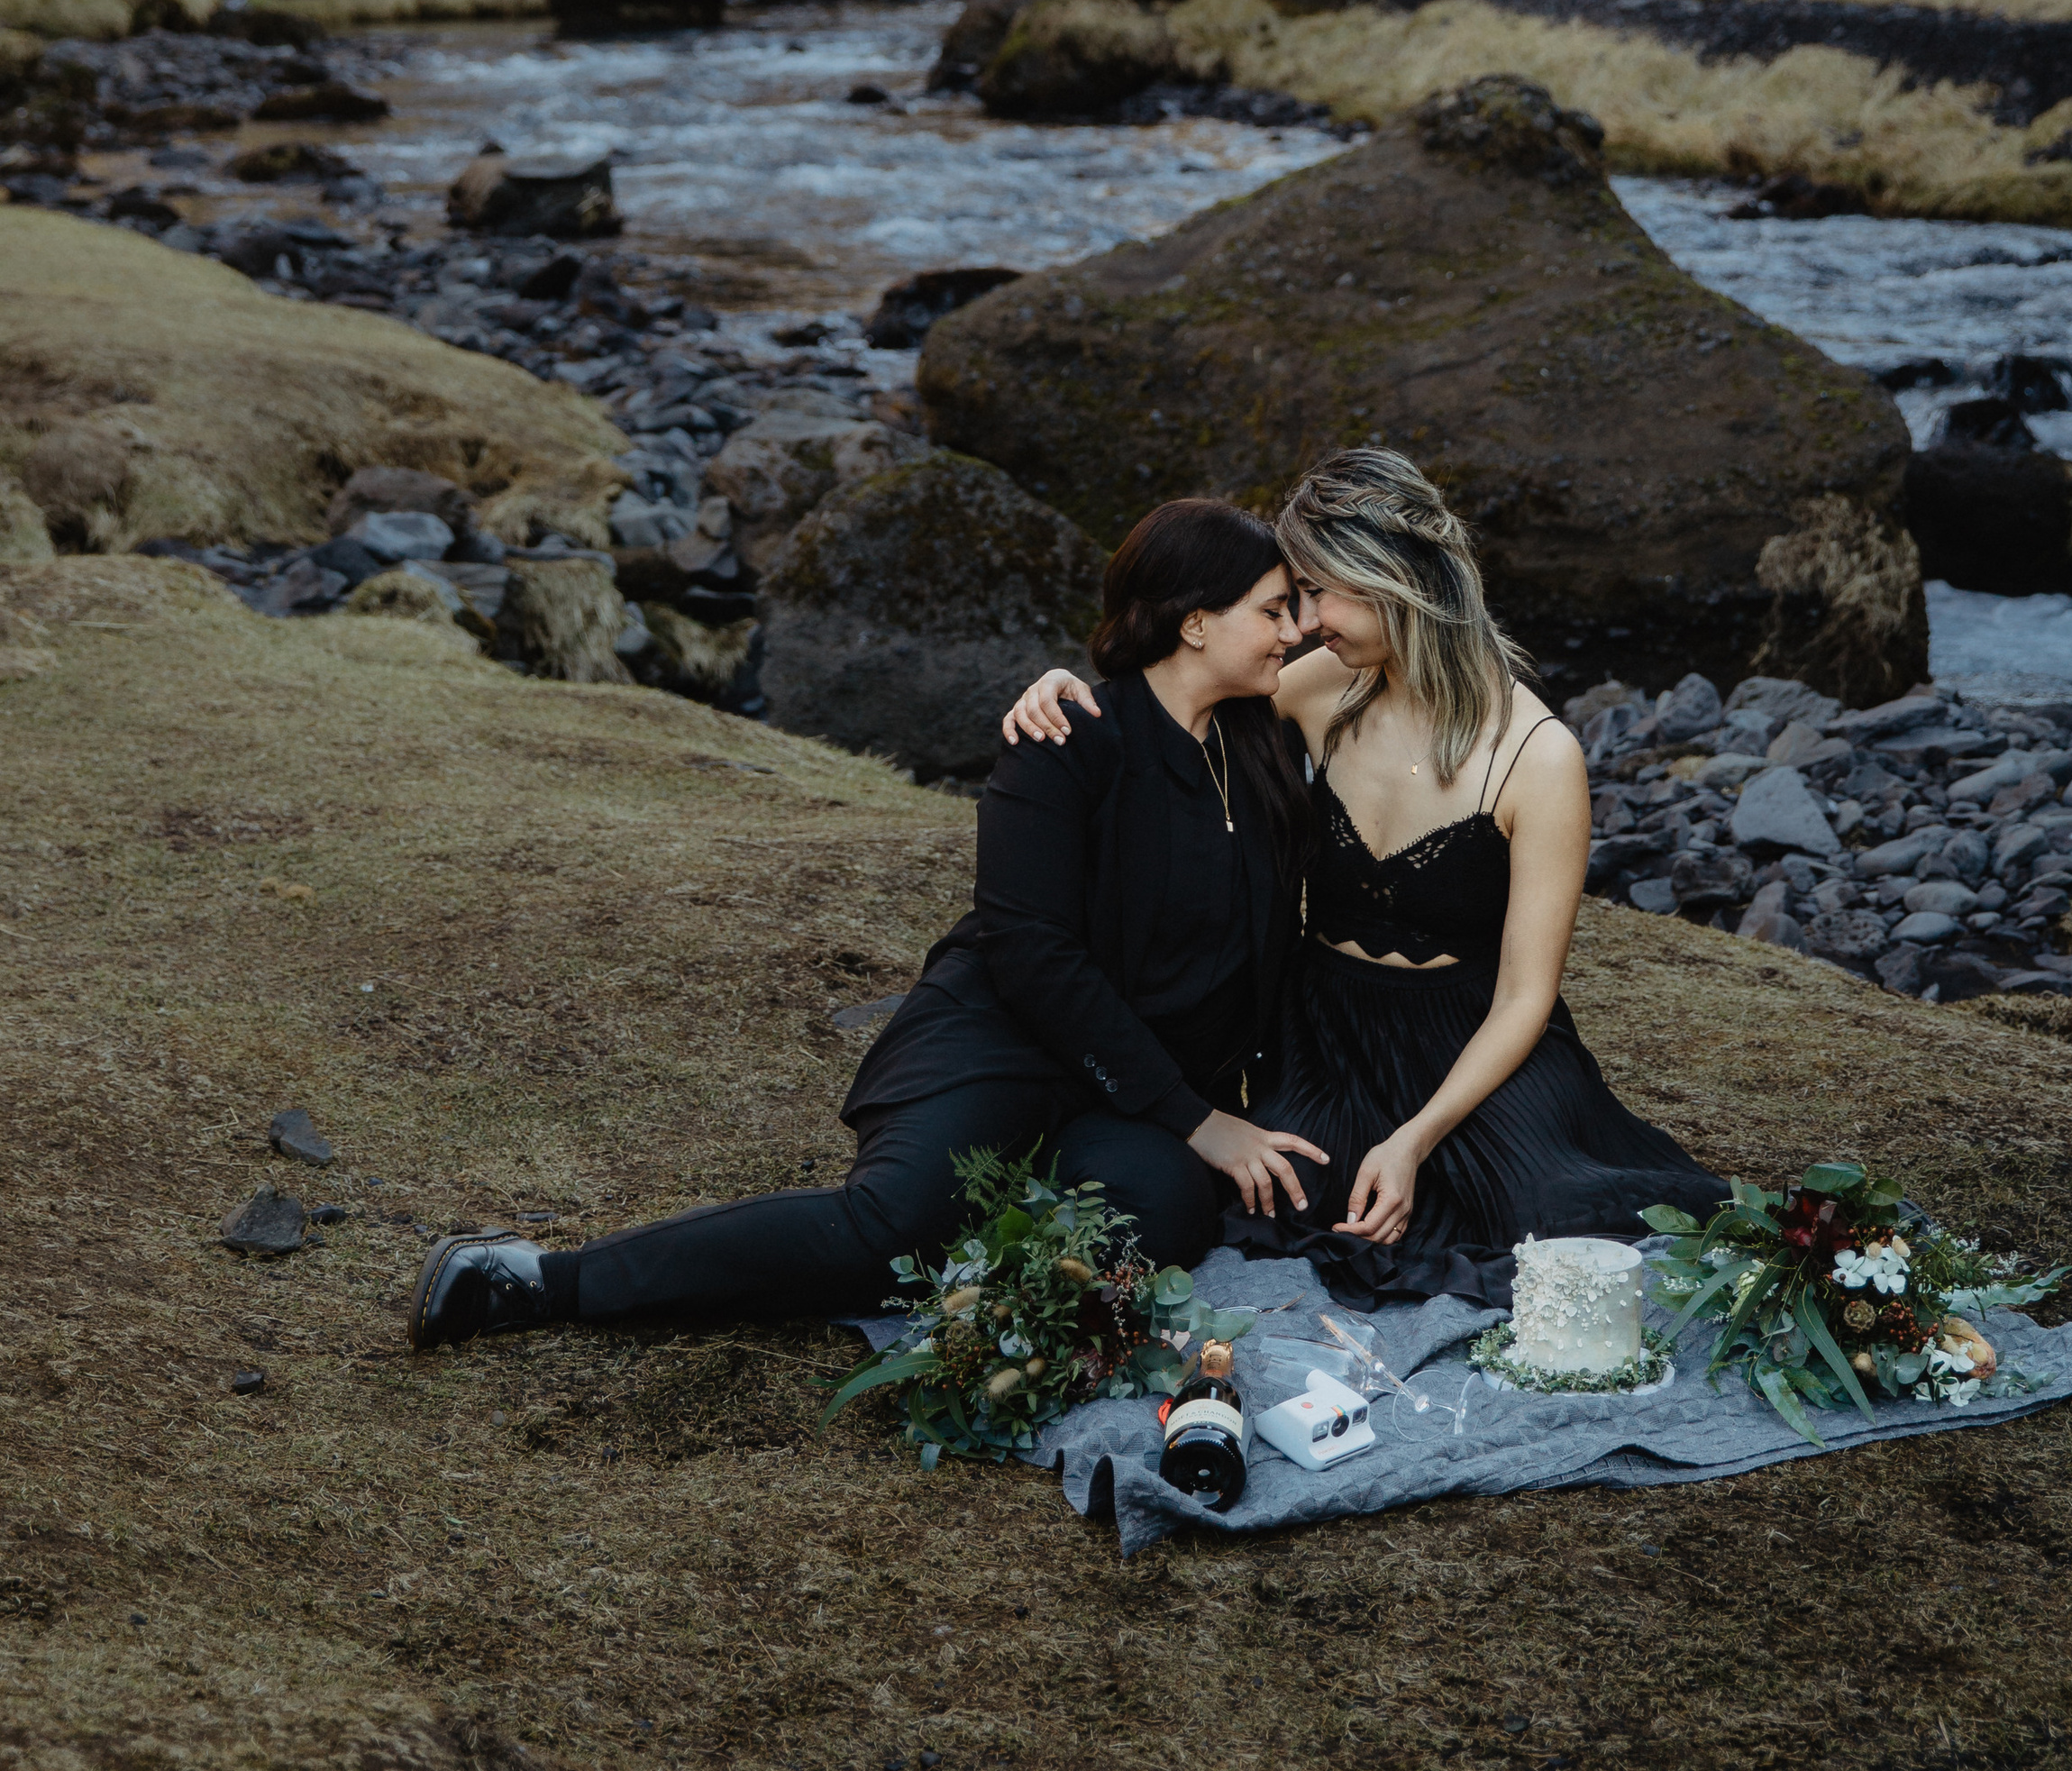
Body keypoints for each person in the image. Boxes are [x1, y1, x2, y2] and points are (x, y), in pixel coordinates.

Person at [409, 498, 1327, 1350]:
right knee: (892, 1231)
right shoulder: (1065, 737)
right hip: (1004, 1040)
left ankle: (992, 1323)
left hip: (1133, 1088)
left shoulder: (1266, 741)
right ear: (1194, 620)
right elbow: (1028, 951)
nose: (1298, 630)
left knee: (1166, 1214)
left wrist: (1199, 1113)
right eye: (1275, 610)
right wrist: (1194, 1118)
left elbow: (1392, 654)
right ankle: (536, 1281)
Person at [999, 444, 1725, 1307]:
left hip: (1470, 1045)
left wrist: (1415, 1140)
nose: (1302, 622)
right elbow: (1174, 694)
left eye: (1317, 592)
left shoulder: (1539, 757)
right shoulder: (1315, 688)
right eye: (1293, 597)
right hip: (1325, 1035)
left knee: (1547, 1219)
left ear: (1394, 582)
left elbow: (1527, 997)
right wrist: (1069, 691)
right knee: (1286, 1195)